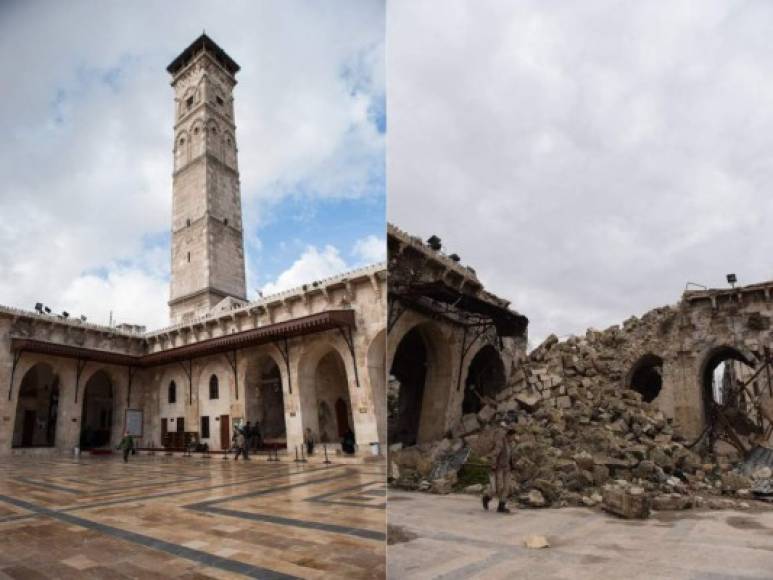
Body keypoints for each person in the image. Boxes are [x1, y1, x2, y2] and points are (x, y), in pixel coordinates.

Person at [482, 420, 516, 514]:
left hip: (507, 468)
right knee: (497, 488)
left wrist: (513, 465)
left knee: (506, 488)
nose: (514, 438)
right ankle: (486, 497)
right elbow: (495, 454)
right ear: (508, 436)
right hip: (499, 468)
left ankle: (501, 506)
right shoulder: (501, 443)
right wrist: (492, 464)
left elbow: (511, 456)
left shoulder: (511, 444)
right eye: (513, 436)